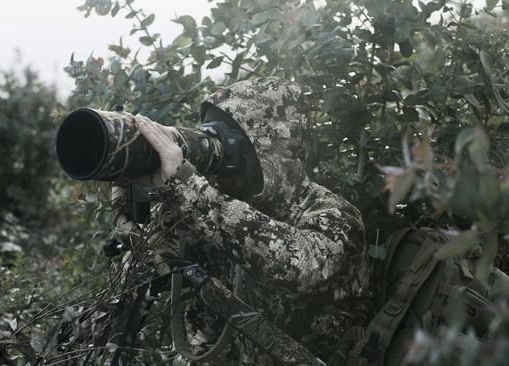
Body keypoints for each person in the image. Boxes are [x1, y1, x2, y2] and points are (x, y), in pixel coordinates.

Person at [111, 77, 372, 364]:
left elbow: (300, 267)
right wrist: (134, 199)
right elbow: (153, 266)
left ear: (271, 147)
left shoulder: (333, 214)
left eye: (229, 141)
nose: (220, 155)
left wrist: (190, 192)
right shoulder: (205, 206)